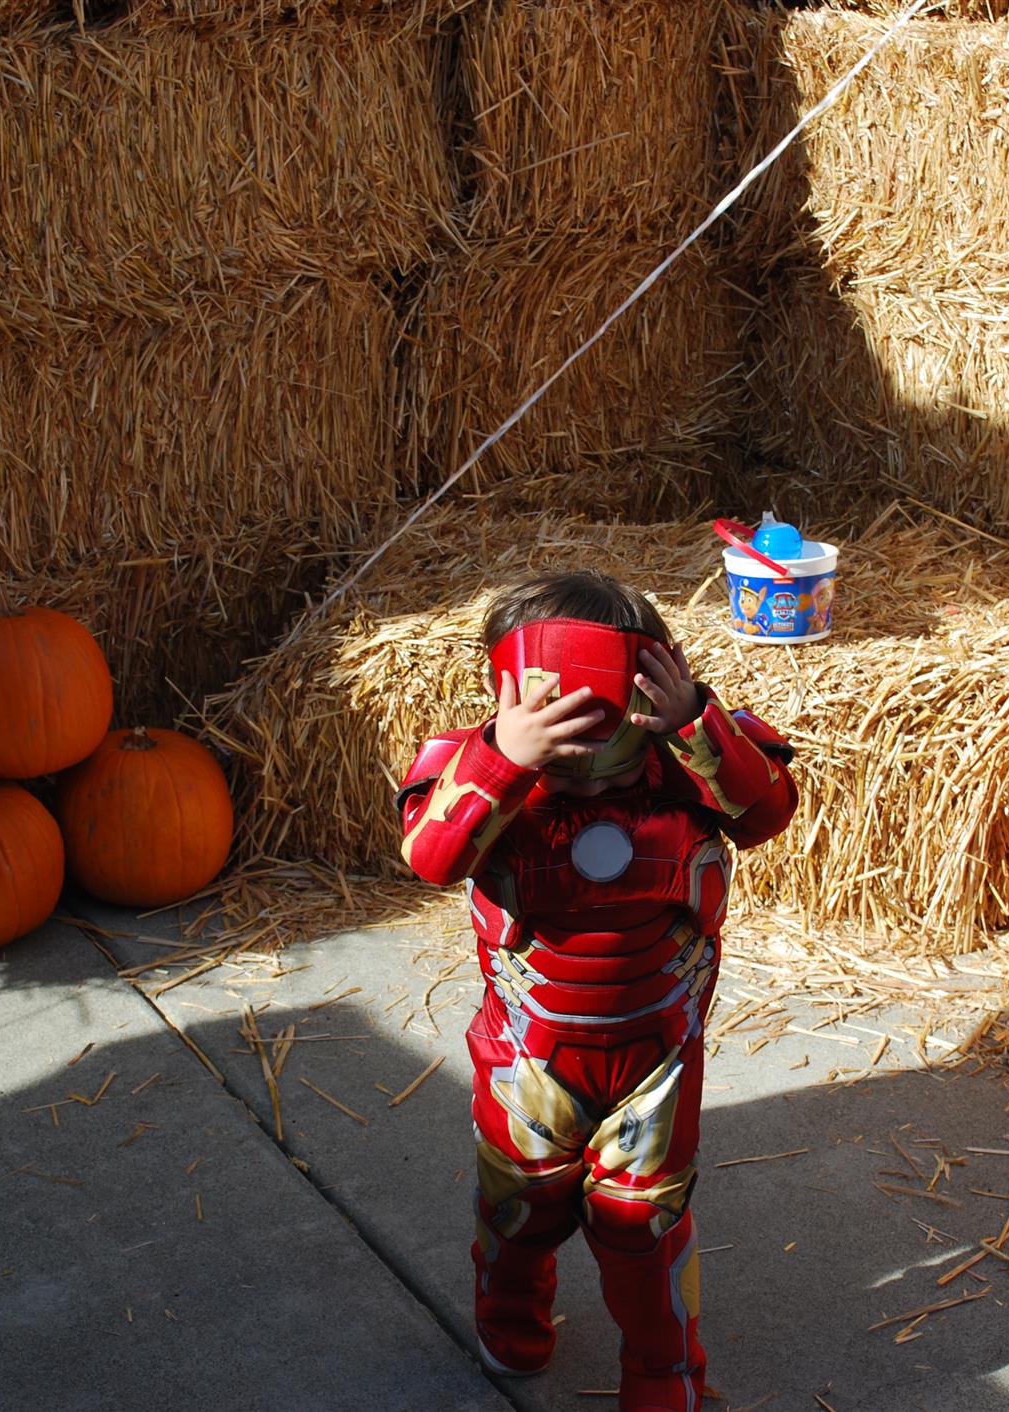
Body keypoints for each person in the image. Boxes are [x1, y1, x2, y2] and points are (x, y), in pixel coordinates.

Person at [397, 571, 798, 1412]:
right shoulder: (480, 768)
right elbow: (432, 857)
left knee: (643, 1224)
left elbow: (765, 811)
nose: (580, 757)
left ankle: (664, 1375)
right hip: (528, 1054)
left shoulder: (686, 759)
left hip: (655, 1059)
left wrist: (692, 718)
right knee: (521, 1204)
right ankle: (510, 1320)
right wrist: (506, 761)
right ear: (504, 694)